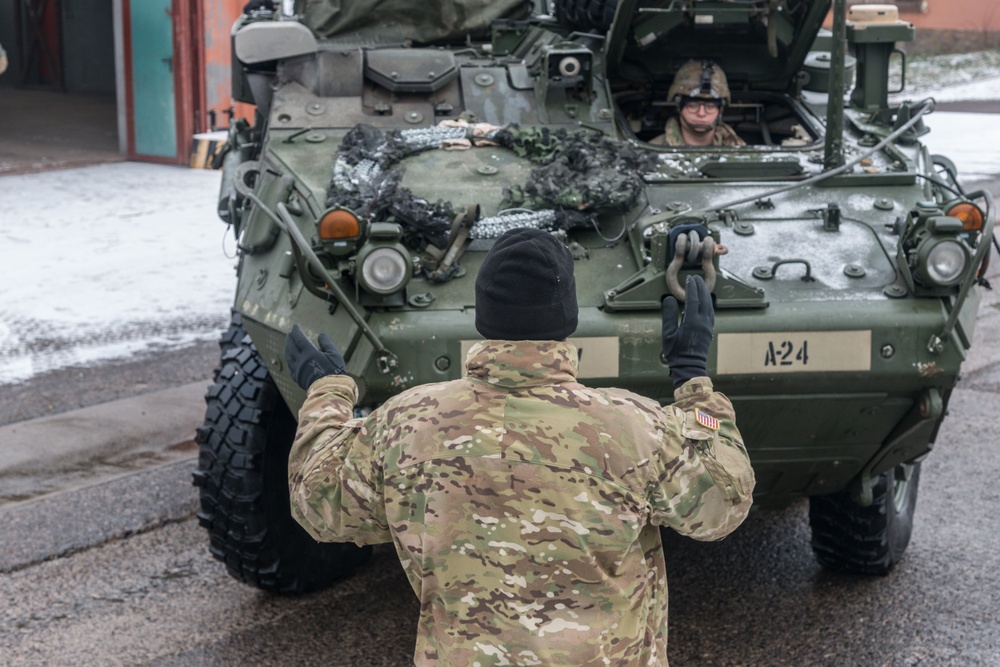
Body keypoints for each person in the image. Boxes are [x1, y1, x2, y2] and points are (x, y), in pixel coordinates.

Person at [284, 227, 755, 665]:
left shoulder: (407, 422)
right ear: (566, 316)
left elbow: (319, 504)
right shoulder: (634, 426)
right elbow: (721, 505)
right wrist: (693, 380)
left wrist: (327, 391)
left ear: (483, 313)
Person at [651, 59, 746, 147]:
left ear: (720, 109)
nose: (701, 113)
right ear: (679, 106)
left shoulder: (740, 152)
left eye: (710, 106)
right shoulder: (653, 151)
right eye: (692, 105)